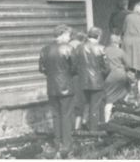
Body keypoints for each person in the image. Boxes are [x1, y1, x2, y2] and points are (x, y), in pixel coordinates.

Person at [39, 24, 76, 153]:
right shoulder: (69, 48)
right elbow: (74, 68)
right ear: (64, 34)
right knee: (66, 115)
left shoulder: (45, 49)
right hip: (66, 86)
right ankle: (67, 145)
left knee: (56, 116)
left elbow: (42, 69)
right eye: (69, 35)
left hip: (51, 87)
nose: (69, 37)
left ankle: (57, 144)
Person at [75, 27, 109, 130]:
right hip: (97, 82)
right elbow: (107, 67)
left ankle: (79, 128)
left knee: (83, 105)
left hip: (82, 81)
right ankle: (93, 131)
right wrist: (103, 76)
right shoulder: (101, 48)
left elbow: (75, 65)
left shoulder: (78, 48)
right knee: (95, 107)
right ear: (98, 36)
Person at [122, 2, 140, 98]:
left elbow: (123, 29)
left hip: (127, 42)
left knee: (129, 65)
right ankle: (139, 87)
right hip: (139, 42)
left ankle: (129, 88)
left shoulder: (128, 17)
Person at [103, 34, 130, 122]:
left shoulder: (105, 50)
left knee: (109, 99)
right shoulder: (120, 51)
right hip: (120, 75)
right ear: (118, 42)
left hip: (108, 76)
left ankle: (106, 120)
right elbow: (128, 65)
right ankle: (124, 114)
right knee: (127, 89)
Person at [69, 31, 88, 130]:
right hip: (78, 78)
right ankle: (77, 127)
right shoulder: (81, 47)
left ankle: (69, 127)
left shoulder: (67, 46)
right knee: (79, 102)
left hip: (66, 80)